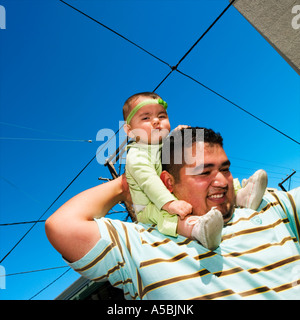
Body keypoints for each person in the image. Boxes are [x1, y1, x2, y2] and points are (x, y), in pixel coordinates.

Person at [45, 127, 300, 300]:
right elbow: (62, 226)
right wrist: (129, 181)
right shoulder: (140, 246)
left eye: (225, 169)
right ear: (167, 183)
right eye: (204, 172)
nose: (222, 181)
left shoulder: (269, 205)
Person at [122, 92, 267, 250]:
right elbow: (149, 181)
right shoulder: (136, 155)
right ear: (129, 131)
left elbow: (172, 157)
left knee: (214, 173)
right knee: (166, 214)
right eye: (146, 118)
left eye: (162, 116)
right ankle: (196, 229)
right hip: (149, 206)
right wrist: (169, 203)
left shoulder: (161, 145)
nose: (156, 121)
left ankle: (241, 196)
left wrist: (178, 136)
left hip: (169, 194)